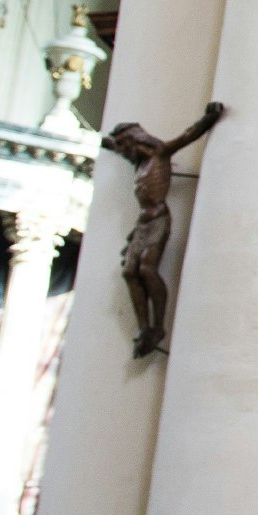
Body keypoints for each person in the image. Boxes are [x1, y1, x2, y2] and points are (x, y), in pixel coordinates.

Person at [103, 100, 225, 359]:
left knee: (146, 268)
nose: (124, 153)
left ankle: (157, 326)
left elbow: (187, 136)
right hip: (142, 223)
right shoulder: (139, 163)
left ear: (135, 142)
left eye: (126, 147)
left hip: (158, 218)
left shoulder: (159, 154)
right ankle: (144, 327)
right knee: (129, 271)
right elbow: (113, 146)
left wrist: (209, 118)